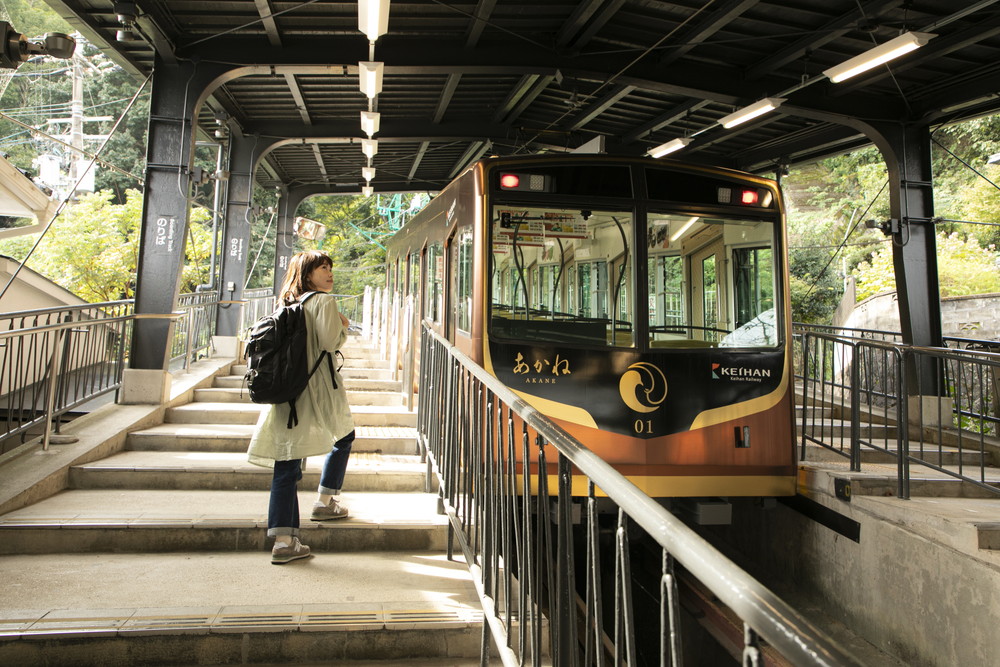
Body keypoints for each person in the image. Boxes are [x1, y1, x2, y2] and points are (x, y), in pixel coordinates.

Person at [248, 250, 355, 564]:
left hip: (288, 390)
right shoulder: (323, 302)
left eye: (330, 267)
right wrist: (343, 324)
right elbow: (330, 342)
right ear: (308, 274)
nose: (329, 273)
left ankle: (284, 540)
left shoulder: (289, 303)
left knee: (287, 463)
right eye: (323, 267)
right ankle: (324, 501)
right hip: (316, 390)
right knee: (344, 436)